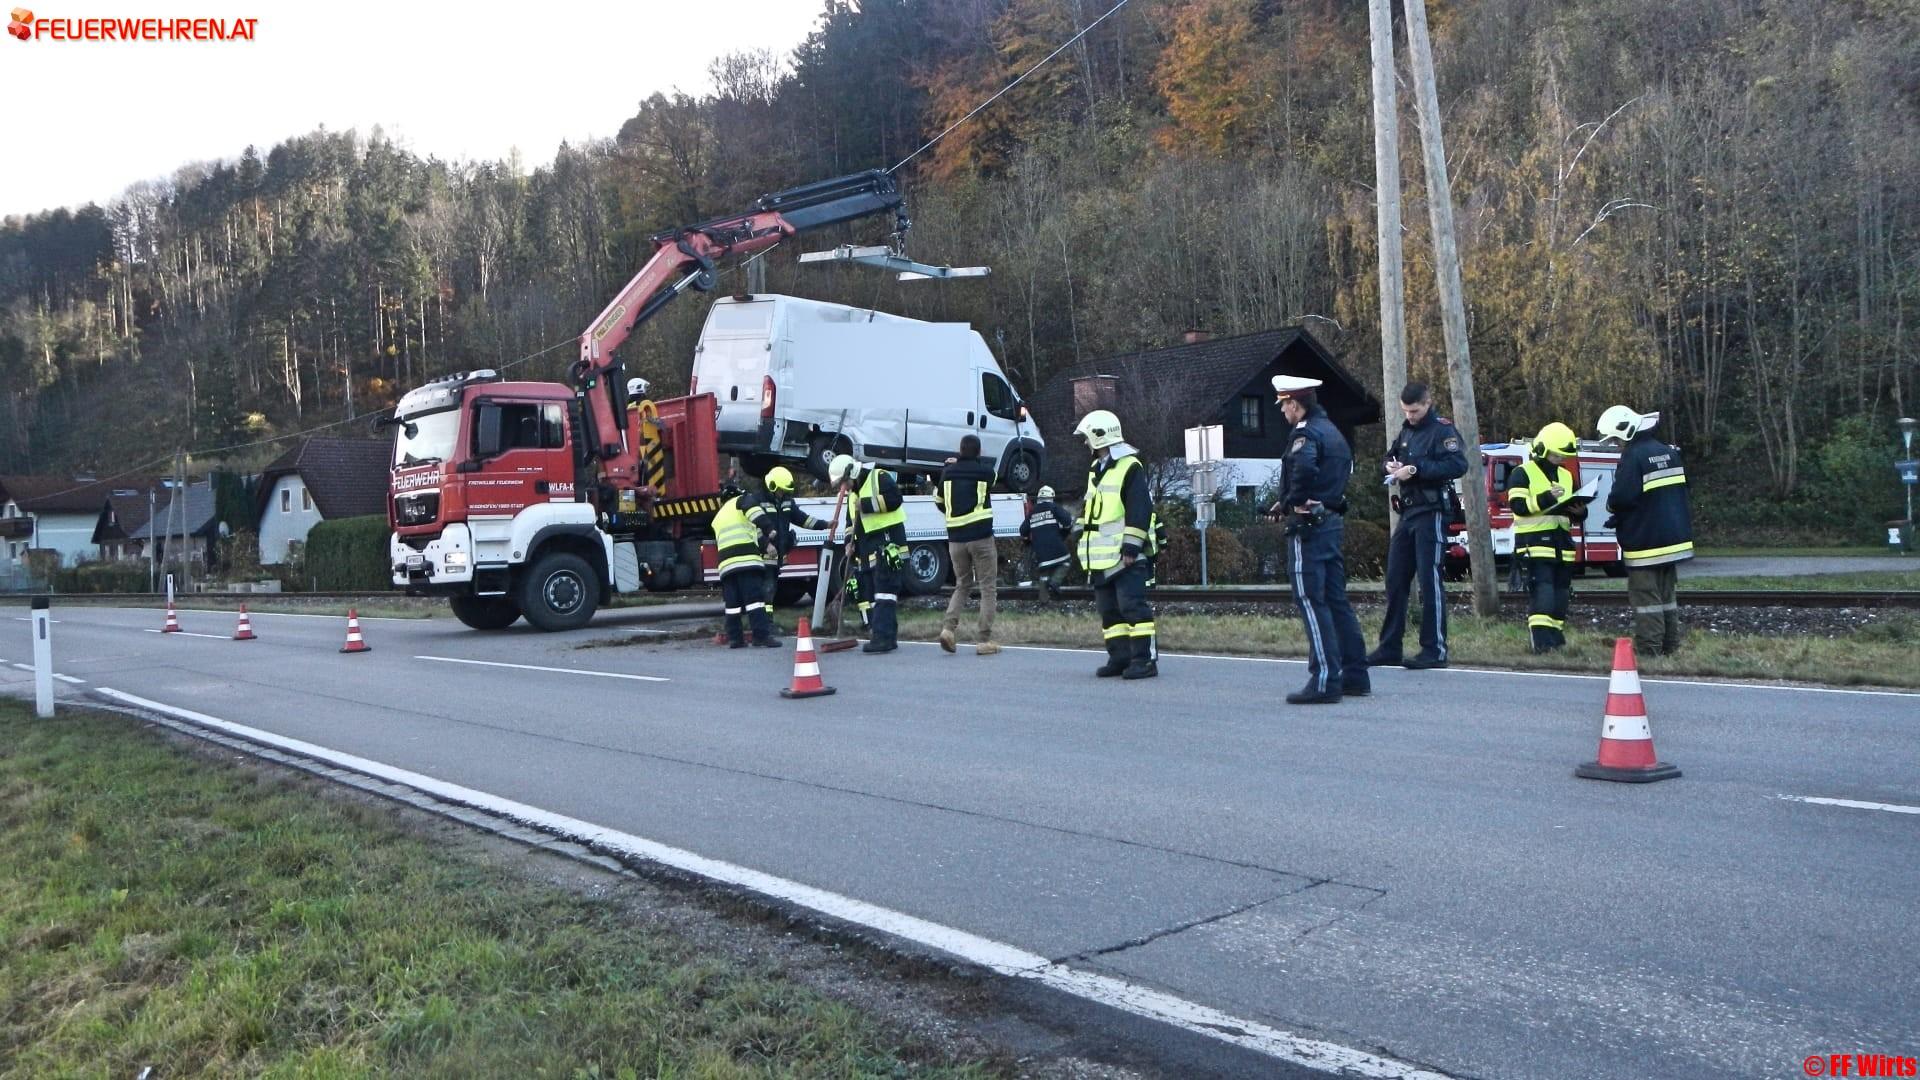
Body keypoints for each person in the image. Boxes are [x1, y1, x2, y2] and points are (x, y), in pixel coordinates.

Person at [1271, 376, 1369, 704]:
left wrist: (1294, 502)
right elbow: (1329, 475)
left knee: (1311, 601)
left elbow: (1305, 467)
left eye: (1284, 404)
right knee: (1336, 601)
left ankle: (1325, 679)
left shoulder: (1305, 433)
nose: (1283, 411)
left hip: (1309, 527)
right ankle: (1355, 675)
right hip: (1331, 521)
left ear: (1295, 405)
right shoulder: (1333, 431)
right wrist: (1285, 501)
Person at [1369, 382, 1469, 670]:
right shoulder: (1406, 431)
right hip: (1409, 513)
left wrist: (1416, 470)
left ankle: (1434, 650)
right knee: (1396, 579)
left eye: (1414, 410)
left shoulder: (1442, 430)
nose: (1410, 415)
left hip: (1432, 511)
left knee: (1429, 580)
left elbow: (1457, 465)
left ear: (1427, 404)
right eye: (1405, 411)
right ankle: (1390, 647)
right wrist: (1389, 466)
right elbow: (1388, 457)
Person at [1597, 405, 1694, 655]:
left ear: (1625, 431)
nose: (1616, 445)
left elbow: (1621, 497)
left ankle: (1649, 651)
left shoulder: (1634, 456)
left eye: (1616, 439)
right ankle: (1670, 648)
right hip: (1674, 541)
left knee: (1647, 601)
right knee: (1667, 599)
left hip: (1646, 545)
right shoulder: (1667, 452)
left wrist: (1614, 511)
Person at [1071, 409, 1157, 679]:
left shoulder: (1130, 467)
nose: (1085, 443)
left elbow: (1139, 510)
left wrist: (1131, 547)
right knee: (1109, 611)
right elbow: (1091, 510)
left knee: (1132, 607)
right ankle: (1120, 657)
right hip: (1101, 556)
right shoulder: (1096, 470)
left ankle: (1144, 660)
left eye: (1087, 437)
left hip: (1124, 555)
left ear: (1099, 436)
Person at [1506, 421, 1586, 653]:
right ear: (1542, 449)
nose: (1561, 459)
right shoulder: (1522, 473)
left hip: (1562, 546)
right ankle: (1541, 644)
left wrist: (1580, 512)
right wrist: (1547, 498)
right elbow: (1518, 506)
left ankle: (1557, 642)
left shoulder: (1567, 476)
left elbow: (1575, 507)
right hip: (1534, 546)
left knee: (1560, 597)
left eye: (1564, 456)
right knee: (1544, 594)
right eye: (1556, 455)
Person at [828, 453, 906, 654]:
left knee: (885, 593)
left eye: (843, 482)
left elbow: (896, 499)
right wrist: (848, 542)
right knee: (874, 594)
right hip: (866, 551)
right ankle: (884, 635)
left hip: (888, 546)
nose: (843, 488)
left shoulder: (878, 477)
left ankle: (882, 638)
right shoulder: (853, 494)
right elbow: (849, 523)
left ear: (851, 473)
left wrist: (866, 505)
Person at [933, 435, 1001, 656]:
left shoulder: (947, 473)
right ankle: (984, 640)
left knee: (962, 584)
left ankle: (948, 630)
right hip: (980, 536)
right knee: (987, 587)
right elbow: (994, 479)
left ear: (959, 450)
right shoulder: (985, 472)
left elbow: (940, 502)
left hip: (955, 539)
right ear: (979, 452)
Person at [710, 482, 783, 648]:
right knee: (755, 601)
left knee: (732, 605)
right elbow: (754, 511)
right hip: (746, 561)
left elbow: (750, 531)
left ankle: (736, 639)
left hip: (726, 567)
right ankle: (761, 636)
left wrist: (766, 545)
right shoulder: (740, 501)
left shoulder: (718, 517)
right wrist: (768, 527)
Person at [758, 465, 832, 617]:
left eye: (785, 490)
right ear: (771, 486)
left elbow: (804, 520)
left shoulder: (786, 502)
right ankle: (766, 622)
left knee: (771, 589)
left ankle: (766, 621)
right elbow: (753, 527)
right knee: (767, 588)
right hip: (761, 555)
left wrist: (825, 525)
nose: (783, 493)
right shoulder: (758, 501)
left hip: (776, 555)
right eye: (780, 490)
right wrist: (766, 544)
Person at [1021, 484, 1073, 600]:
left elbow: (1023, 530)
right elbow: (1067, 521)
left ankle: (1043, 600)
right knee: (1066, 561)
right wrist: (1064, 533)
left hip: (1040, 551)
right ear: (1051, 497)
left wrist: (1027, 540)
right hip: (1056, 547)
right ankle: (1055, 582)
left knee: (1044, 574)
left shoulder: (1032, 513)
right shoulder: (1053, 507)